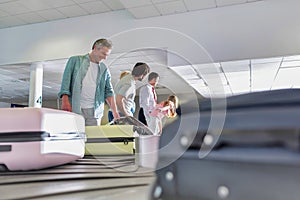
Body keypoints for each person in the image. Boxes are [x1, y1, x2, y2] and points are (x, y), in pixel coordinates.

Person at [58, 38, 120, 126]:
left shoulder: (104, 69)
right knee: (76, 137)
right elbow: (66, 82)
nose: (105, 58)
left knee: (93, 138)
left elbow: (109, 92)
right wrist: (65, 101)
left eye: (107, 55)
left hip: (95, 112)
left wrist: (115, 112)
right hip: (76, 108)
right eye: (103, 54)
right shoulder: (75, 61)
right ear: (95, 48)